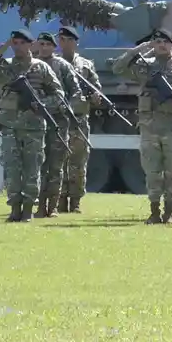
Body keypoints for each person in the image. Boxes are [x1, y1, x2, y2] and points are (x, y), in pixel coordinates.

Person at [0, 30, 66, 223]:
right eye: (15, 43)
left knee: (32, 168)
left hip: (34, 126)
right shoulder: (4, 68)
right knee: (12, 168)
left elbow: (59, 95)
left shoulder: (41, 68)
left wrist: (41, 103)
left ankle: (29, 209)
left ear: (31, 45)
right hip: (9, 125)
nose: (18, 46)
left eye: (22, 43)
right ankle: (14, 208)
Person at [112, 29, 172, 224]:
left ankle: (169, 211)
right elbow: (118, 68)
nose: (161, 45)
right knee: (152, 171)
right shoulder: (145, 66)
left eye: (165, 42)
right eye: (157, 41)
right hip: (149, 127)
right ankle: (154, 211)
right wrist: (139, 49)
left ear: (171, 45)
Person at [34, 32, 81, 219]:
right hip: (36, 121)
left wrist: (64, 106)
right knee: (38, 166)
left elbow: (75, 91)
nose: (44, 47)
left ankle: (52, 206)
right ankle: (38, 205)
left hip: (58, 122)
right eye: (42, 44)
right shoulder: (33, 65)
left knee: (55, 166)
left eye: (48, 44)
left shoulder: (62, 66)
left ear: (54, 47)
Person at [57, 26, 102, 213]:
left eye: (68, 40)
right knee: (57, 161)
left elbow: (96, 88)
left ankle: (75, 202)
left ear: (75, 42)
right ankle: (58, 200)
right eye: (61, 39)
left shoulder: (86, 65)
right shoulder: (53, 64)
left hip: (79, 118)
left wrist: (95, 96)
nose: (64, 43)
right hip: (59, 118)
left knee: (78, 162)